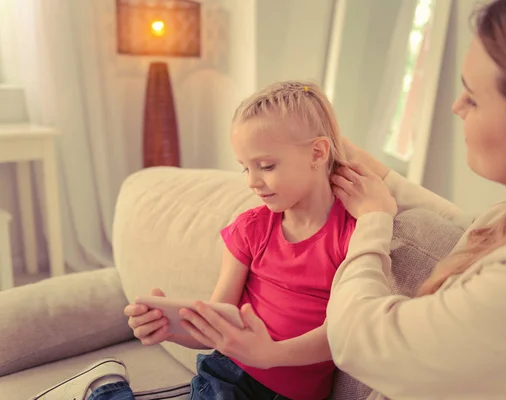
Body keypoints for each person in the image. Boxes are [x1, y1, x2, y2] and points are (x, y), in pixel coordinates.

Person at [325, 0, 506, 398]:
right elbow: (474, 233)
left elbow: (358, 339)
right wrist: (384, 179)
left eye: (472, 98)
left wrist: (372, 222)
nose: (457, 107)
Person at [33, 81, 355, 400]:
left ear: (317, 152)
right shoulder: (252, 229)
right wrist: (170, 329)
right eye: (245, 168)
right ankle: (105, 390)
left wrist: (272, 354)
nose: (253, 182)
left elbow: (343, 333)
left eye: (266, 166)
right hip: (232, 379)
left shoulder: (350, 236)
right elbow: (216, 322)